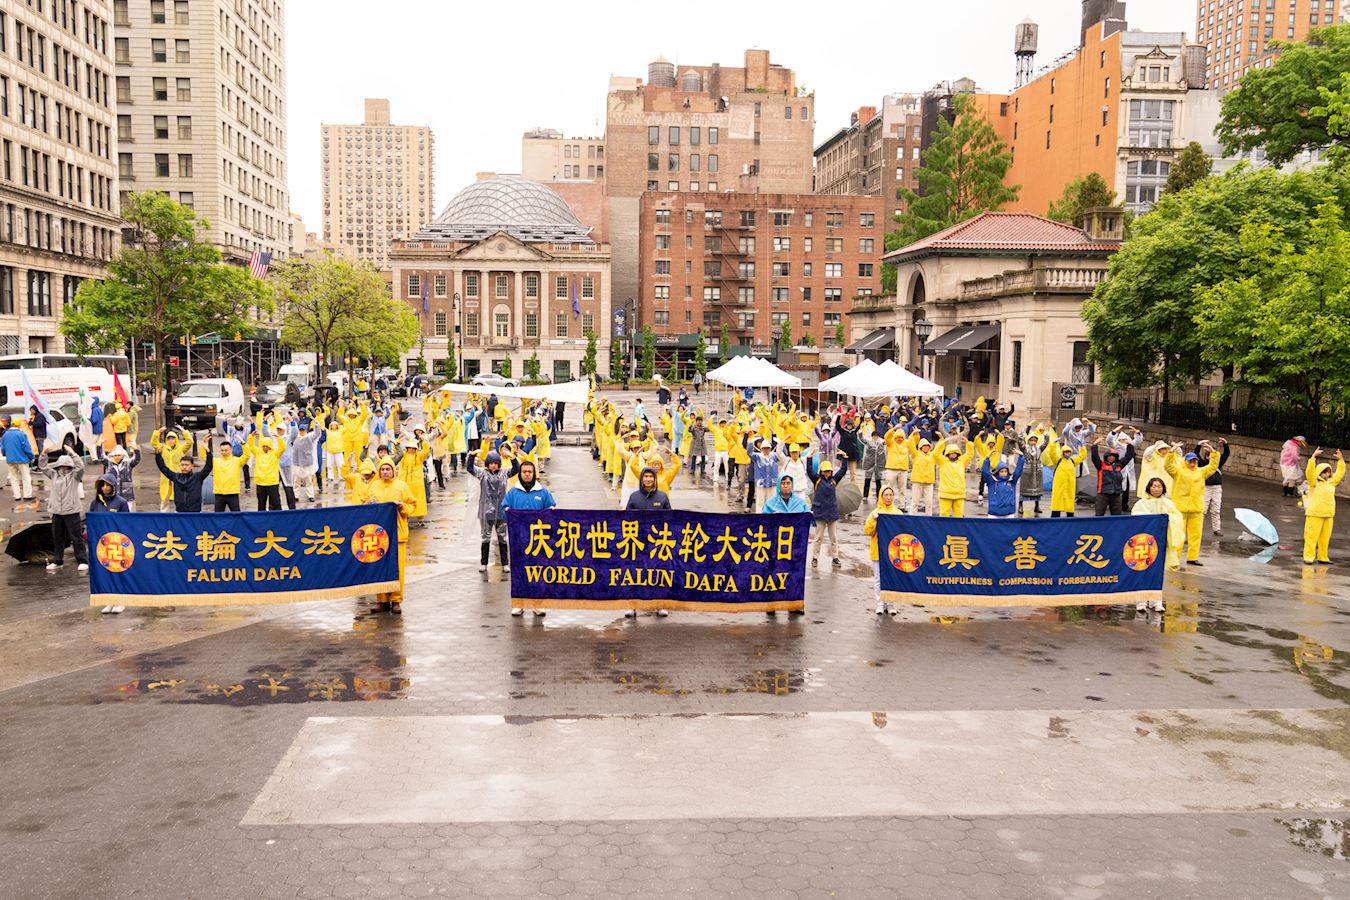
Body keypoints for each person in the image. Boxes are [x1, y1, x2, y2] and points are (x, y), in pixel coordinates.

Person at [503, 460, 557, 618]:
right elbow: (503, 508)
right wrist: (507, 511)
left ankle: (537, 604)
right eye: (524, 471)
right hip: (518, 541)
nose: (527, 474)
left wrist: (552, 510)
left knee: (538, 573)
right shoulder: (513, 493)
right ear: (520, 473)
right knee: (519, 572)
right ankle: (518, 604)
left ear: (534, 474)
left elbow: (552, 508)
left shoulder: (543, 493)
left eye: (530, 472)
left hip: (538, 542)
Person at [366, 459, 416, 614]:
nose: (385, 472)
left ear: (393, 470)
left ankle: (396, 600)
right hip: (378, 535)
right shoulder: (374, 486)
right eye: (383, 469)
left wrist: (402, 507)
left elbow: (412, 506)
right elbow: (366, 507)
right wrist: (370, 503)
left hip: (397, 533)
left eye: (388, 469)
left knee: (397, 569)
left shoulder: (402, 486)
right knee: (380, 568)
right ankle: (382, 600)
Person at [624, 466, 672, 619]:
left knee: (658, 574)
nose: (648, 479)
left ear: (655, 479)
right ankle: (633, 606)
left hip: (658, 543)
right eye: (646, 477)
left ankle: (660, 605)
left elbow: (671, 519)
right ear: (642, 479)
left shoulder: (663, 497)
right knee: (635, 574)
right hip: (638, 543)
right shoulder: (634, 497)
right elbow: (625, 519)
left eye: (651, 477)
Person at [1163, 443, 1222, 566]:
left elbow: (1213, 466)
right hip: (1180, 508)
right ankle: (1175, 558)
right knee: (1178, 536)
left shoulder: (1201, 472)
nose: (1193, 463)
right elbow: (1168, 466)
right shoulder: (1178, 471)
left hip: (1196, 509)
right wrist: (1171, 452)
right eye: (1190, 461)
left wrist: (1213, 452)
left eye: (1194, 461)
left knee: (1196, 536)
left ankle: (1192, 557)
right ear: (1185, 461)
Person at [1132, 476, 1182, 610]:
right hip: (1144, 544)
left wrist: (1167, 519)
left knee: (1157, 572)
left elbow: (1177, 519)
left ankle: (1156, 601)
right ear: (1149, 487)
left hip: (1160, 543)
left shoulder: (1168, 503)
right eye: (1154, 486)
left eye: (1159, 486)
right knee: (1142, 571)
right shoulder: (1141, 503)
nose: (1156, 489)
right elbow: (1136, 521)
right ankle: (1141, 601)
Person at [467, 450, 519, 573]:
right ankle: (483, 563)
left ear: (499, 464)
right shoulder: (482, 473)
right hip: (486, 511)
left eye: (496, 463)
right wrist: (472, 455)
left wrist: (512, 457)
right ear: (487, 464)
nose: (494, 465)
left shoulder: (504, 473)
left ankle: (505, 563)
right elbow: (470, 468)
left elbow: (516, 469)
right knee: (485, 538)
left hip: (501, 511)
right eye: (491, 463)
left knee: (502, 538)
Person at [40, 454, 87, 572]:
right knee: (57, 537)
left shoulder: (75, 476)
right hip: (56, 511)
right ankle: (58, 561)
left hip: (72, 510)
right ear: (58, 466)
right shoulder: (54, 474)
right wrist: (44, 454)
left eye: (66, 466)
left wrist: (73, 454)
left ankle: (82, 560)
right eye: (61, 466)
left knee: (76, 537)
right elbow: (42, 466)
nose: (63, 468)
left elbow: (81, 467)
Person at [1302, 448, 1345, 565]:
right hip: (1315, 513)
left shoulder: (1332, 482)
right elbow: (1309, 473)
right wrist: (1313, 458)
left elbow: (1340, 474)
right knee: (1311, 537)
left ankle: (1323, 557)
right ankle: (1309, 557)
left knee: (1325, 538)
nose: (1327, 474)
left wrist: (1341, 460)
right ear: (1320, 472)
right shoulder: (1313, 482)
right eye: (1325, 472)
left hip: (1328, 514)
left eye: (1329, 472)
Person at [863, 484, 901, 616]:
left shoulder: (898, 513)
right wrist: (873, 519)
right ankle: (880, 603)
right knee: (878, 578)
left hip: (893, 553)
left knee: (892, 578)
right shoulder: (875, 512)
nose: (889, 497)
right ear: (881, 496)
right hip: (878, 551)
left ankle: (890, 604)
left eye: (891, 495)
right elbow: (868, 531)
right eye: (886, 495)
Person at [806, 453, 848, 568]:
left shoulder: (834, 480)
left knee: (833, 538)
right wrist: (809, 457)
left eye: (828, 471)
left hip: (832, 514)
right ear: (821, 471)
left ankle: (835, 557)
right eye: (825, 471)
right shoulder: (817, 480)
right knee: (818, 537)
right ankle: (815, 558)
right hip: (820, 513)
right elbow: (809, 471)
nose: (827, 473)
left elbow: (843, 470)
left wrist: (845, 457)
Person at [155, 442, 213, 512]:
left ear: (192, 466)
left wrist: (208, 452)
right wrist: (158, 455)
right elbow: (163, 468)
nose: (184, 467)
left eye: (187, 465)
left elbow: (208, 467)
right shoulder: (176, 477)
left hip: (194, 512)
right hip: (180, 512)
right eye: (182, 465)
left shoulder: (197, 477)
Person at [1090, 438, 1135, 516]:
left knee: (1116, 516)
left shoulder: (1119, 465)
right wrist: (1095, 445)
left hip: (1116, 495)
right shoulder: (1101, 465)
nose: (1112, 458)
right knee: (1099, 515)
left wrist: (1130, 445)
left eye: (1113, 456)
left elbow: (1128, 456)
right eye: (1110, 456)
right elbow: (1095, 457)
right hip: (1103, 494)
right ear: (1106, 457)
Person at [1045, 440, 1086, 518]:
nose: (1067, 453)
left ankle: (1070, 520)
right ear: (1062, 452)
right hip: (1059, 488)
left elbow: (1081, 457)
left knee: (1069, 506)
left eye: (1069, 452)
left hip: (1069, 487)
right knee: (1057, 506)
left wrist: (1082, 447)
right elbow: (1052, 454)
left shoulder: (1073, 461)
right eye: (1066, 452)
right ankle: (1054, 521)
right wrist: (1053, 444)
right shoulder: (1058, 461)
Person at [1197, 437, 1230, 536]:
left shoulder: (1218, 464)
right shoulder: (1203, 464)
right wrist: (1199, 445)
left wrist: (1225, 444)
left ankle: (1217, 529)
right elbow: (1196, 455)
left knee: (1216, 509)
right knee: (1203, 509)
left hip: (1217, 488)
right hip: (1206, 487)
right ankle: (1198, 528)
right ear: (1207, 457)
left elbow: (1226, 454)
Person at [248, 429, 285, 511]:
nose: (265, 447)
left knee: (276, 503)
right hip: (260, 483)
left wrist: (279, 438)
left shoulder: (275, 454)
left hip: (272, 483)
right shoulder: (257, 452)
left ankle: (280, 518)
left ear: (270, 446)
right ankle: (261, 520)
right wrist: (251, 436)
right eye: (263, 446)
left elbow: (282, 448)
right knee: (261, 504)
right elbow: (251, 446)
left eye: (267, 446)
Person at [936, 438, 974, 518]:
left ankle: (957, 531)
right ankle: (943, 531)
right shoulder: (943, 461)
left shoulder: (962, 461)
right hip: (945, 494)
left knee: (959, 517)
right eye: (951, 453)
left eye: (955, 453)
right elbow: (936, 454)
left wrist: (968, 443)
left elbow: (970, 454)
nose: (953, 454)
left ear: (957, 453)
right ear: (947, 453)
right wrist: (942, 443)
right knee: (943, 516)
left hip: (959, 493)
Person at [2, 416, 37, 501]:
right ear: (18, 426)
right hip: (22, 460)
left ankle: (17, 496)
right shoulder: (21, 434)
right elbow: (26, 448)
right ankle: (27, 495)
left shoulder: (5, 435)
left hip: (10, 459)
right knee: (26, 477)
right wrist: (31, 456)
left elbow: (3, 448)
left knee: (14, 478)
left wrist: (6, 455)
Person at [983, 451, 1024, 519]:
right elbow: (985, 472)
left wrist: (1021, 457)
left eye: (1005, 471)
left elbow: (1018, 470)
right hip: (994, 513)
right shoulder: (992, 482)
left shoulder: (1012, 481)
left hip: (1009, 513)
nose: (1004, 473)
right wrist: (987, 458)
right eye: (1001, 471)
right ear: (997, 472)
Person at [210, 436, 247, 512]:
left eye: (226, 450)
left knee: (236, 515)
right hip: (219, 493)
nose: (224, 452)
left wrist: (243, 443)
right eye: (222, 450)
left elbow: (247, 455)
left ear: (231, 450)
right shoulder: (216, 461)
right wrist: (203, 447)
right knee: (218, 516)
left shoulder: (237, 461)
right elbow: (205, 458)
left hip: (232, 493)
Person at [101, 445, 141, 511]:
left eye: (119, 455)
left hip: (127, 495)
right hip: (112, 495)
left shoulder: (128, 463)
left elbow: (137, 459)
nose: (117, 457)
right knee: (114, 515)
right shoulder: (109, 463)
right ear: (112, 455)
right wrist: (99, 446)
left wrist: (136, 449)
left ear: (123, 455)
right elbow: (101, 457)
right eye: (115, 455)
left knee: (127, 515)